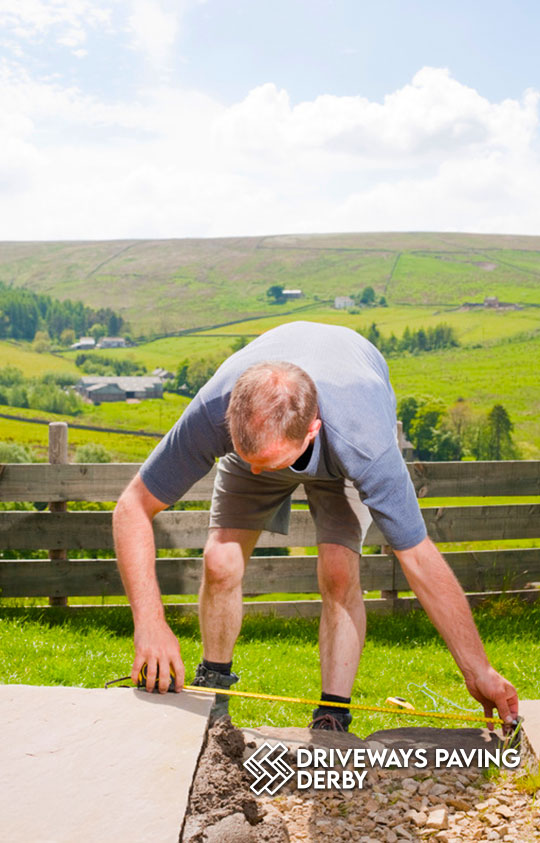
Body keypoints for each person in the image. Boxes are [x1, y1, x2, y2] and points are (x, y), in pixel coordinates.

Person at [113, 321, 518, 731]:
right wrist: (149, 623)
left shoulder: (364, 443)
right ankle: (215, 689)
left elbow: (418, 559)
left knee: (339, 569)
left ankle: (332, 716)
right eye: (245, 454)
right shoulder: (215, 409)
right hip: (266, 433)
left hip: (339, 457)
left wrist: (477, 669)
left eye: (267, 462)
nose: (256, 471)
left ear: (312, 431)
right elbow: (131, 507)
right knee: (220, 562)